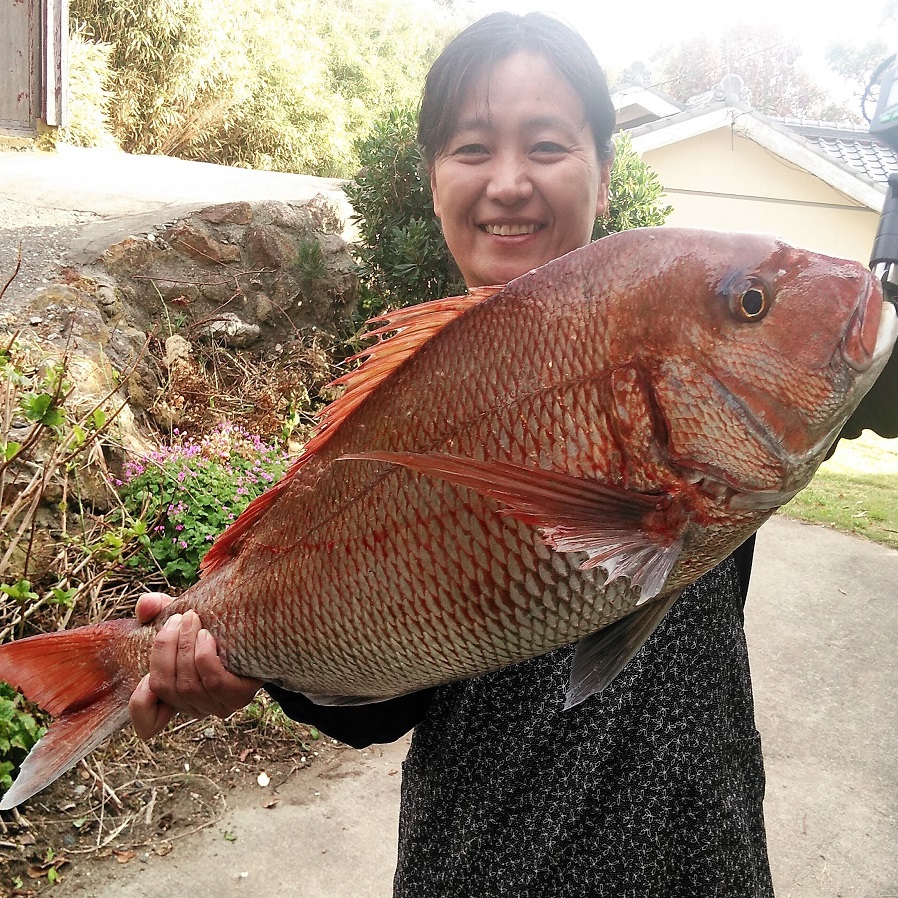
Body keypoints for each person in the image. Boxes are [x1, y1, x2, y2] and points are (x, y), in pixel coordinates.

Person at [131, 11, 892, 895]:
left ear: (605, 174)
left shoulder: (678, 337)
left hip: (702, 861)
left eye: (546, 145)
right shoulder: (409, 397)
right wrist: (245, 663)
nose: (509, 182)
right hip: (479, 867)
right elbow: (382, 706)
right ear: (432, 181)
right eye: (471, 148)